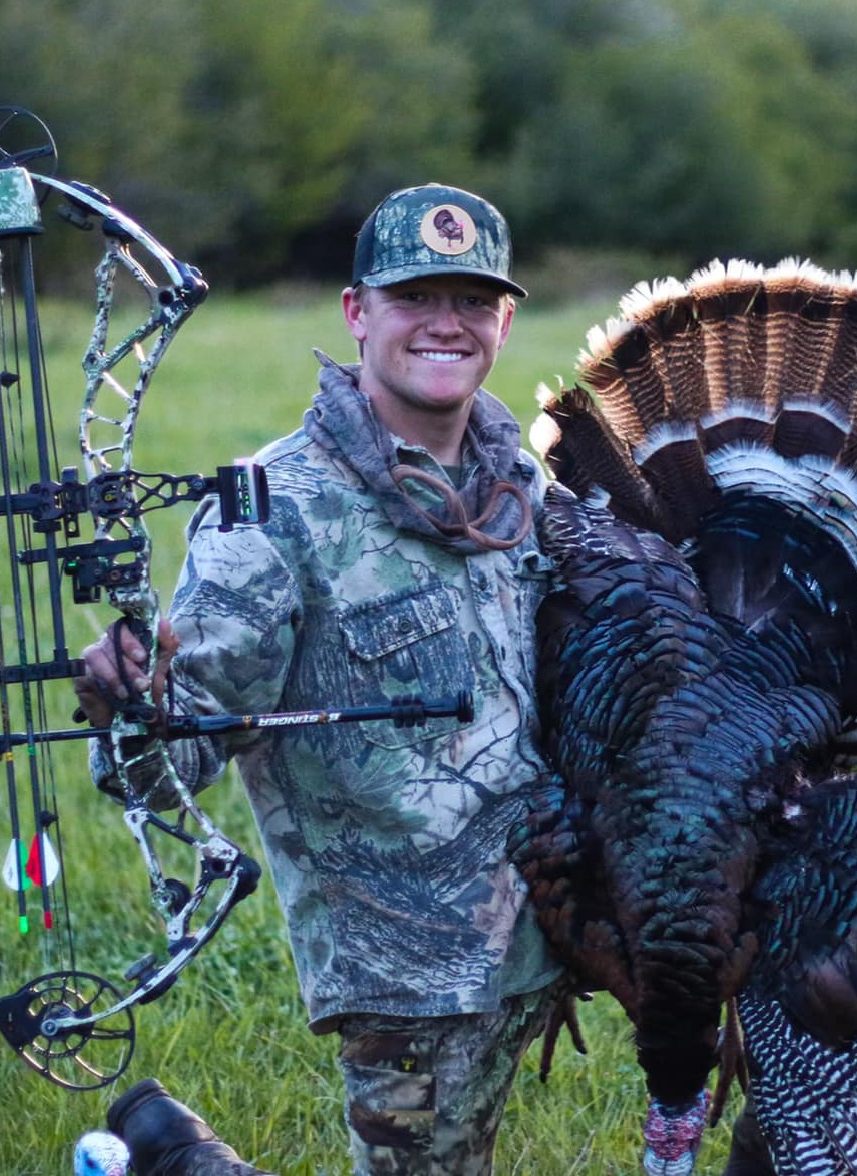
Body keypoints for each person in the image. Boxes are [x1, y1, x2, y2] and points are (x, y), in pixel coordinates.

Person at [75, 183, 564, 1176]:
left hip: (552, 935)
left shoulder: (528, 492)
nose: (446, 323)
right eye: (414, 297)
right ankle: (183, 1162)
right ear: (356, 313)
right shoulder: (273, 514)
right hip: (406, 975)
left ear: (504, 320)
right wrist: (132, 706)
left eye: (472, 301)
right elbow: (179, 761)